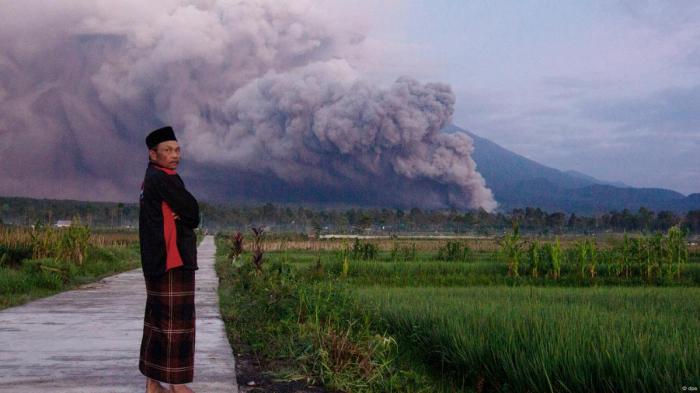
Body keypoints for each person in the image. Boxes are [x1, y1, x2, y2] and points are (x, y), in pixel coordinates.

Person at [138, 126, 200, 393]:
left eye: (177, 150)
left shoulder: (150, 178)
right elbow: (193, 212)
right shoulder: (164, 178)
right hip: (172, 261)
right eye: (167, 150)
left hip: (156, 261)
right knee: (177, 324)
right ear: (153, 154)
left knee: (158, 321)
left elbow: (184, 212)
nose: (175, 155)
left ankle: (153, 384)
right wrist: (185, 215)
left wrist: (182, 215)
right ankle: (177, 385)